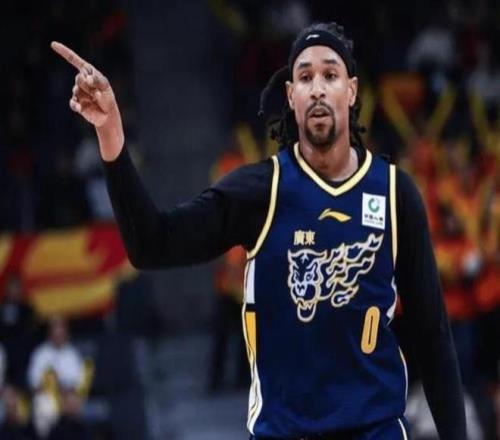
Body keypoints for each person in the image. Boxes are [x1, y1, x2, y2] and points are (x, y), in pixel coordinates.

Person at [51, 21, 466, 440]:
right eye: (305, 77)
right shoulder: (261, 190)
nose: (318, 89)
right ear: (291, 95)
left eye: (330, 74)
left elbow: (433, 334)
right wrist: (110, 132)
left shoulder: (394, 193)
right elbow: (151, 245)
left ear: (352, 90)